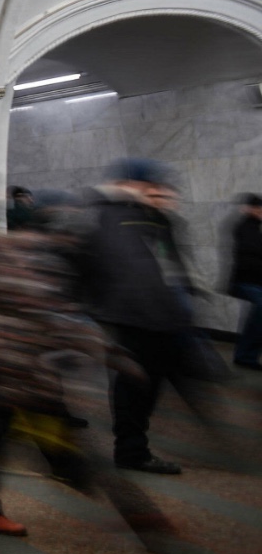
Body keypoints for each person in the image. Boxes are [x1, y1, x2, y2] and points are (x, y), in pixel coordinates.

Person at [0, 193, 171, 546]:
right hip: (19, 370)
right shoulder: (35, 258)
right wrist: (114, 355)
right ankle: (135, 512)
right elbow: (52, 316)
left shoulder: (22, 252)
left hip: (10, 367)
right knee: (59, 444)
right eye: (72, 229)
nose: (77, 238)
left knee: (19, 440)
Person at [73, 159, 201, 474]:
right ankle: (131, 452)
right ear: (132, 184)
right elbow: (122, 270)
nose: (159, 194)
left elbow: (165, 264)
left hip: (158, 317)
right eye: (151, 188)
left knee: (148, 384)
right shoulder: (109, 216)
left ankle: (133, 447)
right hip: (131, 318)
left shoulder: (149, 217)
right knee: (133, 386)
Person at [228, 193, 262, 370]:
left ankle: (247, 354)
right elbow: (251, 253)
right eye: (258, 209)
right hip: (244, 282)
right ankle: (245, 356)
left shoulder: (255, 227)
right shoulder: (244, 227)